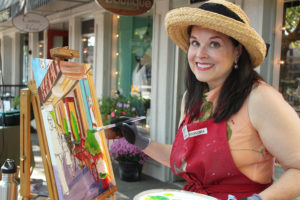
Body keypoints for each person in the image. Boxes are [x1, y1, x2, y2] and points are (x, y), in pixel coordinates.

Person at [112, 0, 300, 199]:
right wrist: (140, 141)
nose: (200, 54)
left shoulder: (260, 99)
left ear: (237, 51)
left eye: (214, 44)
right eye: (195, 43)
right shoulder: (191, 99)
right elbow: (187, 160)